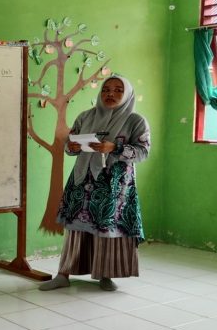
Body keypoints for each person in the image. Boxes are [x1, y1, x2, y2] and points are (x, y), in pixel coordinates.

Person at [39, 74, 150, 292]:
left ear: (127, 94)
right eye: (106, 90)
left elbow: (143, 152)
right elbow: (70, 145)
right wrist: (72, 147)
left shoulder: (135, 121)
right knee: (76, 229)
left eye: (118, 90)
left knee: (107, 229)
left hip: (114, 186)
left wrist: (114, 148)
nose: (110, 94)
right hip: (82, 181)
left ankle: (105, 275)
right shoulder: (86, 116)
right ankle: (63, 274)